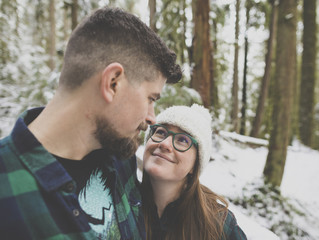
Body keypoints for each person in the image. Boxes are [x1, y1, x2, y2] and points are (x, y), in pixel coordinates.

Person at [0, 7, 181, 240]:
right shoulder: (6, 184)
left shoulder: (119, 155)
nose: (151, 117)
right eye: (150, 99)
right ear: (112, 82)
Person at [141, 104, 247, 240]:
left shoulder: (219, 225)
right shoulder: (120, 204)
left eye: (182, 140)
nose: (165, 144)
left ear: (194, 165)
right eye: (161, 132)